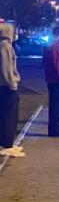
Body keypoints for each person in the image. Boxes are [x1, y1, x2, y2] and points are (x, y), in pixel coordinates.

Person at [0, 23, 23, 157]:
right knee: (10, 116)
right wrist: (12, 84)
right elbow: (7, 68)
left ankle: (6, 143)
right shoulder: (6, 47)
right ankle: (7, 145)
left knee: (5, 116)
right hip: (7, 87)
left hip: (3, 86)